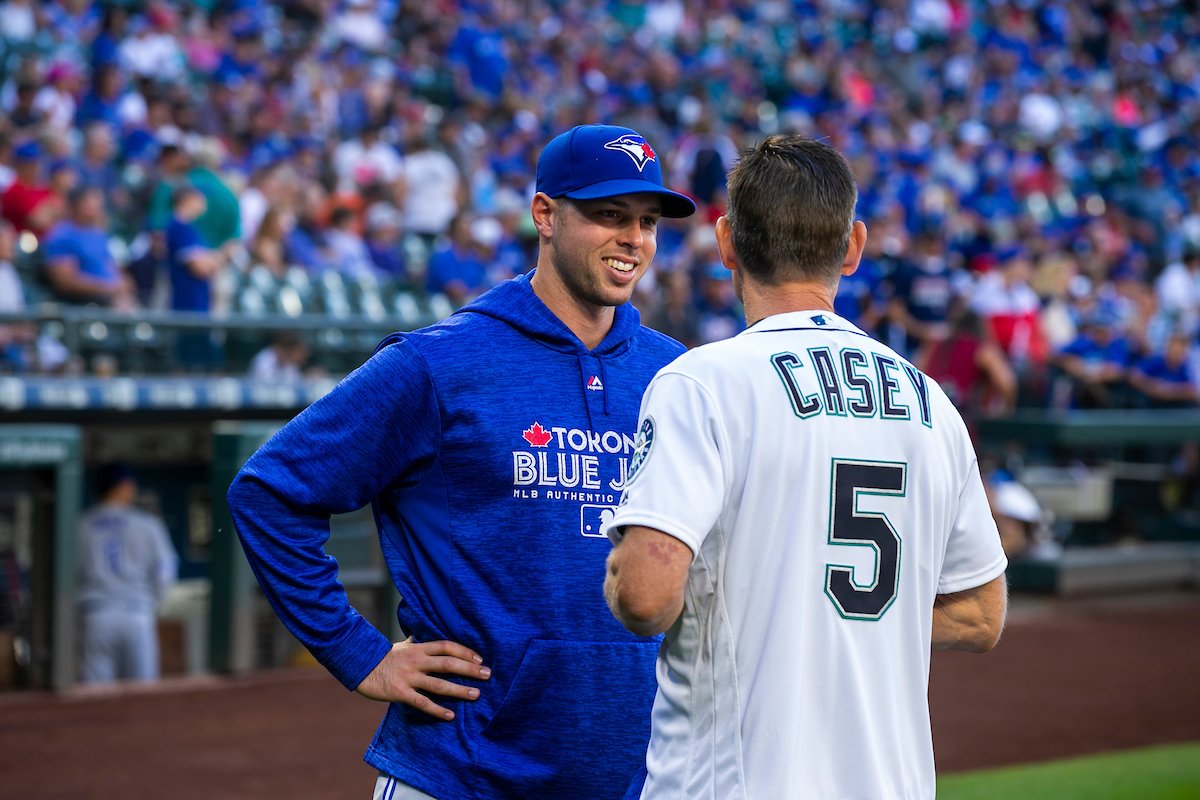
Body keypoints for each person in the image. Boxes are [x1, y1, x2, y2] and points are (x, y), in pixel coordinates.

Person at [227, 123, 696, 800]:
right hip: (461, 773)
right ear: (544, 214)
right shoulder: (442, 361)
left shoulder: (675, 374)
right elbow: (270, 492)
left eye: (648, 223)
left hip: (633, 777)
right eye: (608, 216)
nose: (634, 241)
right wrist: (359, 655)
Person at [602, 135, 1007, 800]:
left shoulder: (703, 383)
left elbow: (646, 598)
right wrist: (829, 611)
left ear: (727, 242)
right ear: (852, 247)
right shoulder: (928, 400)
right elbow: (982, 614)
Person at [77, 462, 178, 684]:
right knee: (143, 693)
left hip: (97, 615)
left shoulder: (81, 525)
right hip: (137, 614)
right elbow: (165, 569)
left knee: (96, 696)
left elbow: (69, 573)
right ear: (121, 487)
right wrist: (158, 603)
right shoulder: (147, 523)